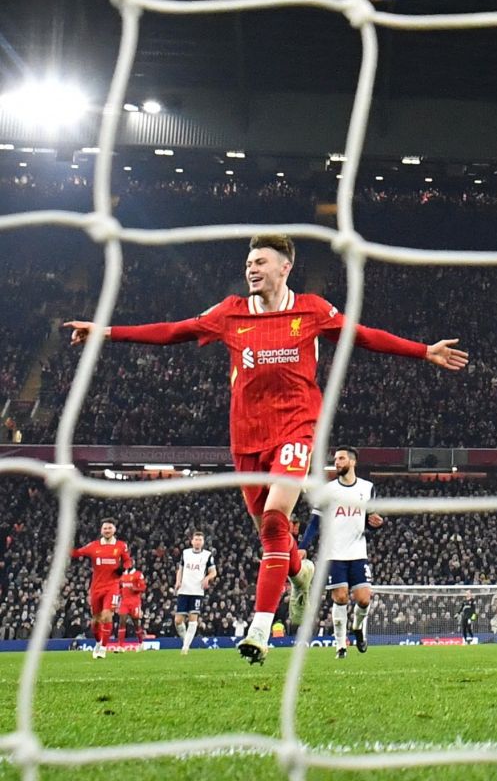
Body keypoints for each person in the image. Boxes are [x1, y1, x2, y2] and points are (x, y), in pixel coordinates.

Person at [65, 234, 468, 665]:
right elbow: (173, 331)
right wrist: (107, 332)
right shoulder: (231, 313)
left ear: (284, 268)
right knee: (269, 533)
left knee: (277, 519)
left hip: (297, 429)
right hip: (246, 440)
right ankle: (300, 573)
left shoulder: (311, 309)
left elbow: (363, 335)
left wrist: (423, 350)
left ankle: (260, 629)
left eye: (260, 261)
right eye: (248, 263)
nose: (251, 269)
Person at [299, 446, 382, 659]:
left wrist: (376, 524)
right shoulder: (328, 490)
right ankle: (340, 646)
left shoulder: (367, 488)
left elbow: (369, 518)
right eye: (335, 459)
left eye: (341, 458)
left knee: (364, 599)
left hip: (358, 551)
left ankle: (357, 628)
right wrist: (302, 547)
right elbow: (315, 522)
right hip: (333, 553)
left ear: (352, 462)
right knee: (341, 598)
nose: (337, 462)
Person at [71, 518, 132, 659]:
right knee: (95, 622)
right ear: (101, 530)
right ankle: (98, 643)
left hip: (113, 587)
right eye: (105, 528)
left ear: (114, 530)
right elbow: (76, 553)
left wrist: (123, 568)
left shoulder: (121, 546)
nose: (107, 530)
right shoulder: (94, 546)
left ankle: (103, 649)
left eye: (109, 528)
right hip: (96, 588)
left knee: (107, 615)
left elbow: (128, 560)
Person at [174, 530, 216, 655]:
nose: (198, 542)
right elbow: (180, 569)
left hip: (197, 591)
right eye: (196, 539)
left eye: (200, 540)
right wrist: (178, 581)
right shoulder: (185, 553)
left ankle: (185, 648)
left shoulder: (208, 555)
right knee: (178, 620)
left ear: (203, 542)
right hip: (184, 589)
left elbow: (213, 572)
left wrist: (207, 578)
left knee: (193, 619)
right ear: (192, 541)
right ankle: (185, 641)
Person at [116, 565, 147, 649]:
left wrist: (135, 589)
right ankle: (120, 646)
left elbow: (143, 587)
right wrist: (119, 596)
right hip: (124, 602)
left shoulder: (138, 574)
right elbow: (119, 587)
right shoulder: (122, 575)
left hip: (135, 602)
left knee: (136, 624)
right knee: (122, 622)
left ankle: (141, 643)